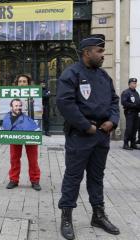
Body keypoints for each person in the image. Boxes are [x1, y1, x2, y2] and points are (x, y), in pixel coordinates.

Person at [56, 34, 120, 240]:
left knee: (96, 177)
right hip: (81, 136)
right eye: (99, 51)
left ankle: (98, 215)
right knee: (73, 177)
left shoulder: (104, 77)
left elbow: (114, 100)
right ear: (87, 52)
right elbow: (65, 103)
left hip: (102, 136)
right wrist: (86, 126)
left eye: (103, 51)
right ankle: (66, 217)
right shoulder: (71, 74)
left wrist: (113, 120)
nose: (103, 55)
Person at [3, 74, 41, 191]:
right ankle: (13, 179)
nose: (22, 83)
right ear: (17, 83)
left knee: (33, 158)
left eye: (24, 81)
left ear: (28, 84)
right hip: (15, 132)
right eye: (20, 81)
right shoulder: (10, 98)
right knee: (14, 157)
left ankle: (35, 180)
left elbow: (38, 113)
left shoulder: (34, 96)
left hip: (30, 131)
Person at [121, 78, 140, 150]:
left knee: (135, 128)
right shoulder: (126, 92)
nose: (134, 84)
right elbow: (124, 102)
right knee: (129, 128)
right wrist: (134, 106)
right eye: (133, 83)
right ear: (129, 84)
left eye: (135, 83)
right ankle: (125, 144)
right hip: (129, 113)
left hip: (136, 113)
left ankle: (133, 143)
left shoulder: (136, 93)